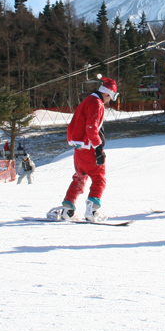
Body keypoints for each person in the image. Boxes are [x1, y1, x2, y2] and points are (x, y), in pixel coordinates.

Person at [47, 76, 117, 222]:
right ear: (106, 93)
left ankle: (68, 208)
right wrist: (98, 148)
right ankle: (92, 211)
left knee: (80, 176)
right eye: (111, 96)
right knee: (99, 179)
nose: (110, 100)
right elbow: (91, 127)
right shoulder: (97, 103)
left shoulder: (88, 100)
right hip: (90, 147)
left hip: (79, 148)